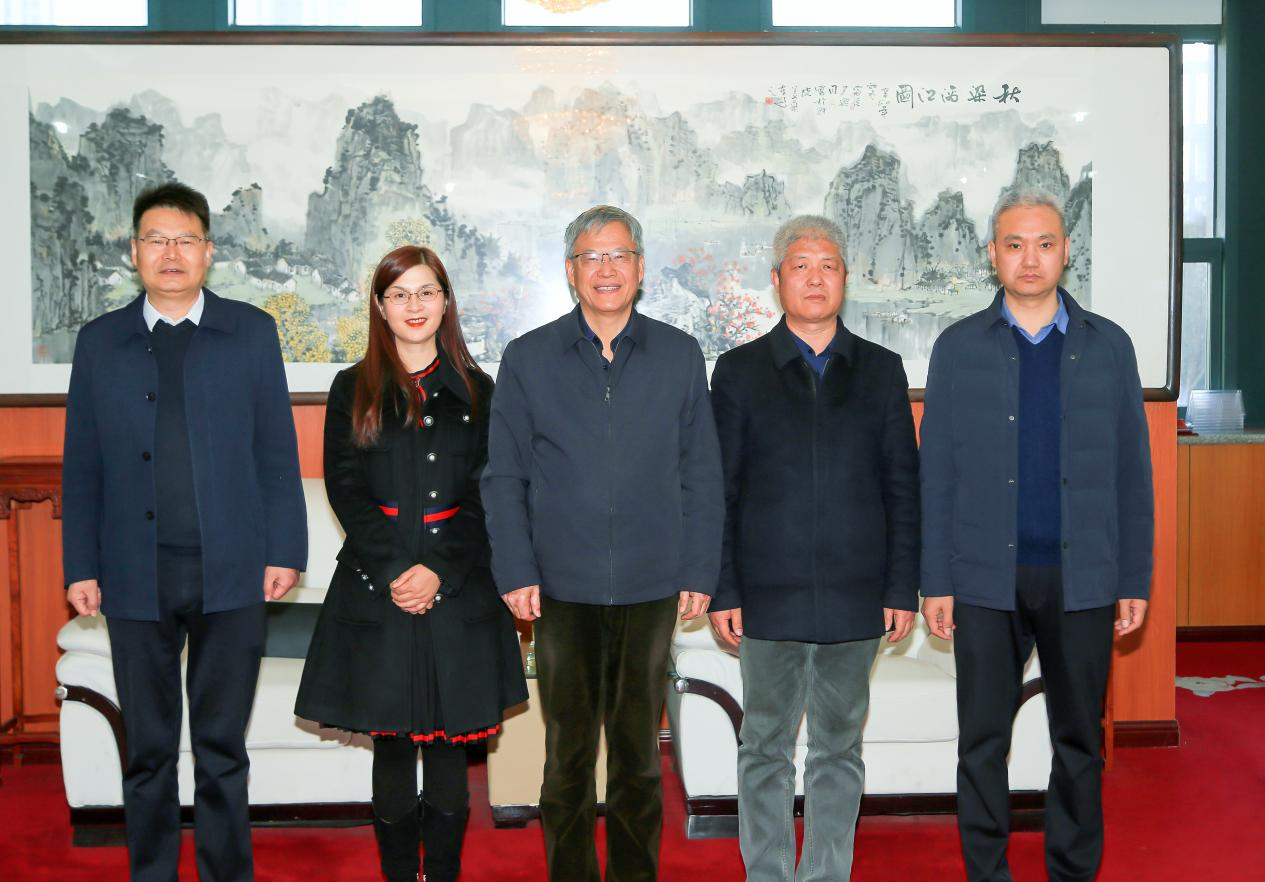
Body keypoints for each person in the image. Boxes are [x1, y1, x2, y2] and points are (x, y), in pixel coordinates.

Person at [61, 181, 308, 882]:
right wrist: (81, 565)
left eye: (185, 240)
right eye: (156, 240)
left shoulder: (250, 332)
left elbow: (276, 450)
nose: (171, 253)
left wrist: (285, 550)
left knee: (222, 746)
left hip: (232, 569)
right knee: (148, 749)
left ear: (208, 251)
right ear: (134, 250)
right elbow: (81, 464)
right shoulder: (100, 341)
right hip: (133, 572)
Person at [481, 205, 724, 882]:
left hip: (653, 583)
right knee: (566, 753)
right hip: (560, 586)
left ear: (640, 268)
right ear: (571, 272)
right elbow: (503, 475)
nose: (606, 269)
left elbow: (702, 472)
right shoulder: (529, 357)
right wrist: (515, 570)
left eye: (619, 256)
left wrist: (700, 568)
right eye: (592, 258)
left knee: (639, 755)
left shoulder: (678, 354)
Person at [919, 189, 1153, 882]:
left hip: (1082, 580)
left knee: (1078, 741)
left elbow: (1131, 474)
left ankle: (1071, 870)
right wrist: (936, 580)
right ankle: (986, 871)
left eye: (1044, 243)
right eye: (1014, 244)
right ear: (993, 254)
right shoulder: (958, 347)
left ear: (1065, 251)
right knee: (981, 742)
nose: (1030, 258)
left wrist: (1132, 577)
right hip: (983, 579)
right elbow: (937, 472)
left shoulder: (1109, 346)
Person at [295, 245, 527, 882]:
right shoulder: (351, 388)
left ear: (446, 302)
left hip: (459, 587)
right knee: (393, 750)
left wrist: (438, 571)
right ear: (380, 306)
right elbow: (345, 487)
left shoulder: (479, 390)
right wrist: (400, 570)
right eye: (399, 294)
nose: (414, 305)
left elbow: (489, 490)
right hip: (378, 586)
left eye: (426, 292)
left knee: (450, 756)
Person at [707, 215, 920, 882]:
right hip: (765, 597)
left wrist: (900, 587)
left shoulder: (881, 370)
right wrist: (723, 588)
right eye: (801, 266)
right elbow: (719, 491)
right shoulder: (739, 371)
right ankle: (768, 874)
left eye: (828, 265)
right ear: (777, 280)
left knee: (838, 750)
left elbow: (902, 488)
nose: (815, 278)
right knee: (764, 749)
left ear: (844, 279)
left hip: (857, 596)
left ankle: (826, 874)